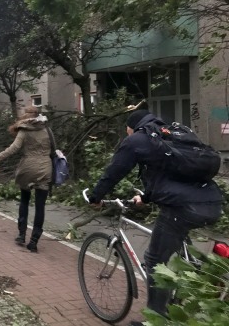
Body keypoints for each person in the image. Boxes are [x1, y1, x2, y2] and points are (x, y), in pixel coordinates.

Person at [88, 109, 223, 324]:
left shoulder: (138, 140)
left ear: (131, 128)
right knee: (175, 247)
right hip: (213, 204)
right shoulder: (173, 134)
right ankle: (184, 288)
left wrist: (96, 197)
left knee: (154, 260)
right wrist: (147, 197)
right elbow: (174, 175)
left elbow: (115, 170)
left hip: (182, 209)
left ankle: (156, 319)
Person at [0, 106, 53, 252]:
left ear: (25, 116)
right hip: (45, 168)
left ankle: (21, 234)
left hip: (28, 168)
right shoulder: (47, 129)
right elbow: (54, 150)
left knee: (24, 200)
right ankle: (34, 241)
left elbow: (13, 149)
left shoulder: (24, 130)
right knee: (40, 206)